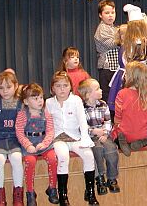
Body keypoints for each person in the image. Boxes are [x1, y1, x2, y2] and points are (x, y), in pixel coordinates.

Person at [45, 71, 97, 206]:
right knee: (63, 156)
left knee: (88, 155)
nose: (62, 89)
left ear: (70, 87)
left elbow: (82, 121)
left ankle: (90, 192)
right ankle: (63, 195)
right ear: (52, 88)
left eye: (65, 85)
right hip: (58, 138)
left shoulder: (76, 100)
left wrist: (85, 139)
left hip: (75, 136)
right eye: (58, 86)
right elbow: (47, 124)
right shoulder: (49, 103)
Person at [15, 83, 58, 205]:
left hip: (44, 144)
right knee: (30, 161)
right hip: (29, 144)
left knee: (53, 159)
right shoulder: (22, 114)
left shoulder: (46, 113)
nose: (40, 101)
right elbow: (19, 132)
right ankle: (30, 193)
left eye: (41, 98)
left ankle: (52, 189)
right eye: (35, 98)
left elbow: (50, 131)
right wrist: (28, 145)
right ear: (26, 101)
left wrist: (44, 144)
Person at [107, 5, 147, 116]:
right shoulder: (129, 44)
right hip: (131, 75)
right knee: (128, 99)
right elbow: (126, 60)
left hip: (140, 74)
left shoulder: (144, 41)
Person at [78, 78, 120, 196]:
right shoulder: (81, 108)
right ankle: (100, 178)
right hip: (90, 137)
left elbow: (108, 121)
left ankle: (112, 178)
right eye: (97, 89)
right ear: (88, 94)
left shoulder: (103, 104)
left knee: (111, 149)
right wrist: (93, 131)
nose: (101, 90)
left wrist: (105, 133)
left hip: (103, 135)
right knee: (97, 150)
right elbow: (81, 125)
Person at [0, 71, 24, 206]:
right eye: (1, 88)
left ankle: (18, 197)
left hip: (15, 138)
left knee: (16, 158)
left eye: (8, 87)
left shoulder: (21, 103)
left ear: (16, 86)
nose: (5, 91)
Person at [110, 61, 147, 156]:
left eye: (126, 73)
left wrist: (116, 125)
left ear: (131, 77)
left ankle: (123, 140)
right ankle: (141, 142)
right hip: (142, 133)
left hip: (125, 132)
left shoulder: (122, 93)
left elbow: (117, 117)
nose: (124, 76)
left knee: (114, 131)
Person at [94, 0, 120, 103]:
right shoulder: (102, 28)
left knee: (115, 93)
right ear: (100, 15)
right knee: (108, 94)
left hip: (115, 67)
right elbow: (112, 44)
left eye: (112, 12)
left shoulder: (113, 28)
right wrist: (124, 36)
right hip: (107, 67)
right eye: (107, 13)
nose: (110, 15)